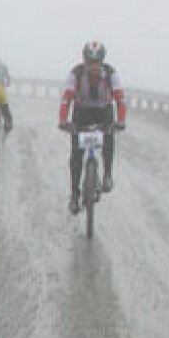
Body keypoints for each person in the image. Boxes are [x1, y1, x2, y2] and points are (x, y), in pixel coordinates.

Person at [59, 40, 126, 212]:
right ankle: (74, 195)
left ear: (102, 61)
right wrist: (63, 120)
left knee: (109, 139)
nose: (94, 67)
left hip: (104, 112)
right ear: (85, 61)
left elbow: (120, 99)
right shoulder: (76, 73)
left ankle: (107, 175)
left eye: (97, 63)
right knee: (76, 155)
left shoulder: (111, 74)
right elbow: (67, 98)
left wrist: (121, 120)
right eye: (90, 63)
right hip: (82, 113)